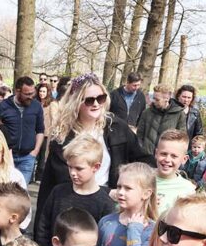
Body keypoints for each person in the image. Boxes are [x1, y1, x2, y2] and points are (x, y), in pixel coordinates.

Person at [41, 73, 150, 205]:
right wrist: (106, 192)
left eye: (101, 98)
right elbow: (62, 181)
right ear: (76, 102)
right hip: (75, 206)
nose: (96, 104)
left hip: (111, 205)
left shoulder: (116, 126)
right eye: (89, 100)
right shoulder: (62, 137)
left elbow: (142, 158)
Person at [34, 134, 115, 246]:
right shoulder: (58, 192)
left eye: (79, 168)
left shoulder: (104, 203)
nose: (72, 173)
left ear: (96, 167)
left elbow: (104, 241)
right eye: (70, 167)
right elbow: (44, 227)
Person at [0, 76, 45, 183]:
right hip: (7, 156)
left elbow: (40, 130)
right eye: (27, 94)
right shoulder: (4, 106)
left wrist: (35, 151)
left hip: (28, 157)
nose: (31, 96)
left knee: (22, 191)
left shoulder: (36, 106)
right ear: (18, 91)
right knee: (6, 188)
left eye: (33, 93)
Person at [154, 129, 197, 214]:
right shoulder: (141, 179)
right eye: (163, 154)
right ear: (156, 153)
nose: (167, 159)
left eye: (174, 156)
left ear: (184, 159)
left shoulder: (187, 190)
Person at [136, 85, 186, 157]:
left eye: (157, 99)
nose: (154, 101)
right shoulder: (147, 113)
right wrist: (142, 150)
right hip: (146, 156)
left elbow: (181, 137)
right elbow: (139, 135)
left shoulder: (179, 114)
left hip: (166, 157)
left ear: (167, 98)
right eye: (154, 98)